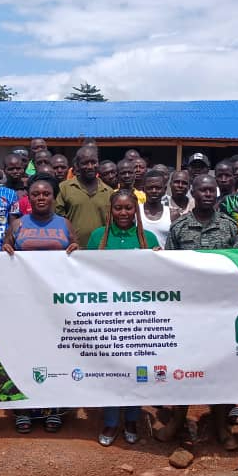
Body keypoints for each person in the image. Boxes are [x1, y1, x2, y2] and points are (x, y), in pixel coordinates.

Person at [164, 174, 238, 462]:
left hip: (221, 309)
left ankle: (221, 426)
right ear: (193, 193)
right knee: (184, 366)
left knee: (220, 367)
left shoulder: (230, 227)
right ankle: (178, 420)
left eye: (212, 190)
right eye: (203, 190)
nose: (208, 194)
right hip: (188, 310)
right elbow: (168, 268)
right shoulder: (179, 227)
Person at [3, 173, 78, 434]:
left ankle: (53, 408)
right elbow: (3, 256)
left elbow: (77, 254)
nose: (41, 198)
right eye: (35, 194)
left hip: (57, 303)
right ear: (29, 198)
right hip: (24, 302)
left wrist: (76, 251)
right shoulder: (17, 225)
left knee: (56, 354)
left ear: (54, 197)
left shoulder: (65, 224)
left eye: (46, 193)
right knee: (25, 354)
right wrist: (6, 251)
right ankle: (24, 409)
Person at [88, 190, 157, 446]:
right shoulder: (98, 237)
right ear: (111, 210)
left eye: (129, 208)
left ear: (136, 210)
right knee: (110, 368)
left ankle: (132, 418)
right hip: (107, 316)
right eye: (118, 208)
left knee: (136, 369)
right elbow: (84, 272)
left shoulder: (148, 238)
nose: (124, 213)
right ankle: (110, 420)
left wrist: (160, 259)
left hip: (139, 318)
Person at [56, 146, 115, 247]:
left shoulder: (109, 192)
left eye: (94, 162)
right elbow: (59, 220)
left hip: (102, 249)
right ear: (77, 165)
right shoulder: (64, 188)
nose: (90, 166)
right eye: (85, 163)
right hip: (73, 250)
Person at [138, 170, 174, 245]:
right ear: (143, 189)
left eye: (158, 188)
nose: (154, 191)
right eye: (150, 188)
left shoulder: (173, 214)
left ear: (165, 189)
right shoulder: (136, 212)